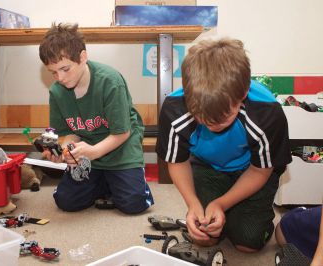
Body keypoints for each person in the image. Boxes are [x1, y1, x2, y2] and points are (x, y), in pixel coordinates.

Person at [156, 38, 292, 252]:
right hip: (207, 168)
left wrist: (220, 204)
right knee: (204, 237)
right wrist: (193, 204)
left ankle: (239, 217)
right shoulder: (174, 109)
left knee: (247, 243)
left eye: (224, 117)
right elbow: (178, 162)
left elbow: (261, 170)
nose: (212, 125)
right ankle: (226, 216)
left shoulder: (267, 113)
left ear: (243, 93)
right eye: (202, 117)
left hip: (252, 171)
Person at [38, 23, 154, 214]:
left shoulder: (110, 82)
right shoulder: (57, 92)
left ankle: (111, 180)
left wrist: (93, 152)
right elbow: (68, 132)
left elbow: (123, 132)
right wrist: (67, 151)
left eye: (65, 69)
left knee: (134, 203)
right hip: (88, 149)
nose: (60, 77)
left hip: (121, 146)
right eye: (53, 72)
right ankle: (105, 181)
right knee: (66, 201)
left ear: (82, 57)